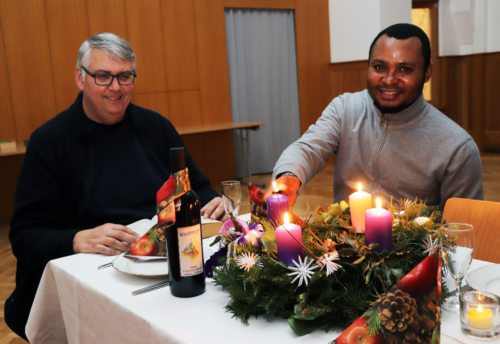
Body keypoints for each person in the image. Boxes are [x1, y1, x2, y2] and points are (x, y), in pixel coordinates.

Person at [5, 32, 225, 339]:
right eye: (103, 76)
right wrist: (77, 239)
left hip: (162, 272)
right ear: (80, 79)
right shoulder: (50, 141)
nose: (116, 87)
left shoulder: (156, 127)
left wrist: (214, 200)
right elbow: (24, 236)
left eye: (124, 76)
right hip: (92, 280)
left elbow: (196, 187)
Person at [270, 23, 483, 210]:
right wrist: (289, 179)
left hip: (416, 254)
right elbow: (308, 149)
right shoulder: (345, 109)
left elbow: (463, 228)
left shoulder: (457, 147)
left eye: (405, 69)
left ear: (427, 73)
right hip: (339, 249)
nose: (389, 80)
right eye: (380, 67)